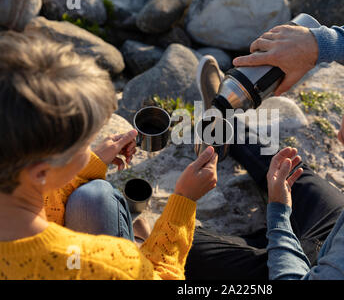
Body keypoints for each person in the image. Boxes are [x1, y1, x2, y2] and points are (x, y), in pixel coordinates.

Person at [185, 21, 344, 279]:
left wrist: (279, 215)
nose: (339, 136)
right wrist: (315, 45)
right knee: (294, 172)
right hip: (337, 231)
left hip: (315, 270)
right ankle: (226, 118)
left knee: (178, 243)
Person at [0, 30, 218, 280]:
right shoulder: (103, 264)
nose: (91, 147)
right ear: (41, 172)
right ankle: (139, 240)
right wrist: (184, 200)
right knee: (97, 198)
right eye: (84, 144)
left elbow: (38, 196)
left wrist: (90, 162)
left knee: (93, 196)